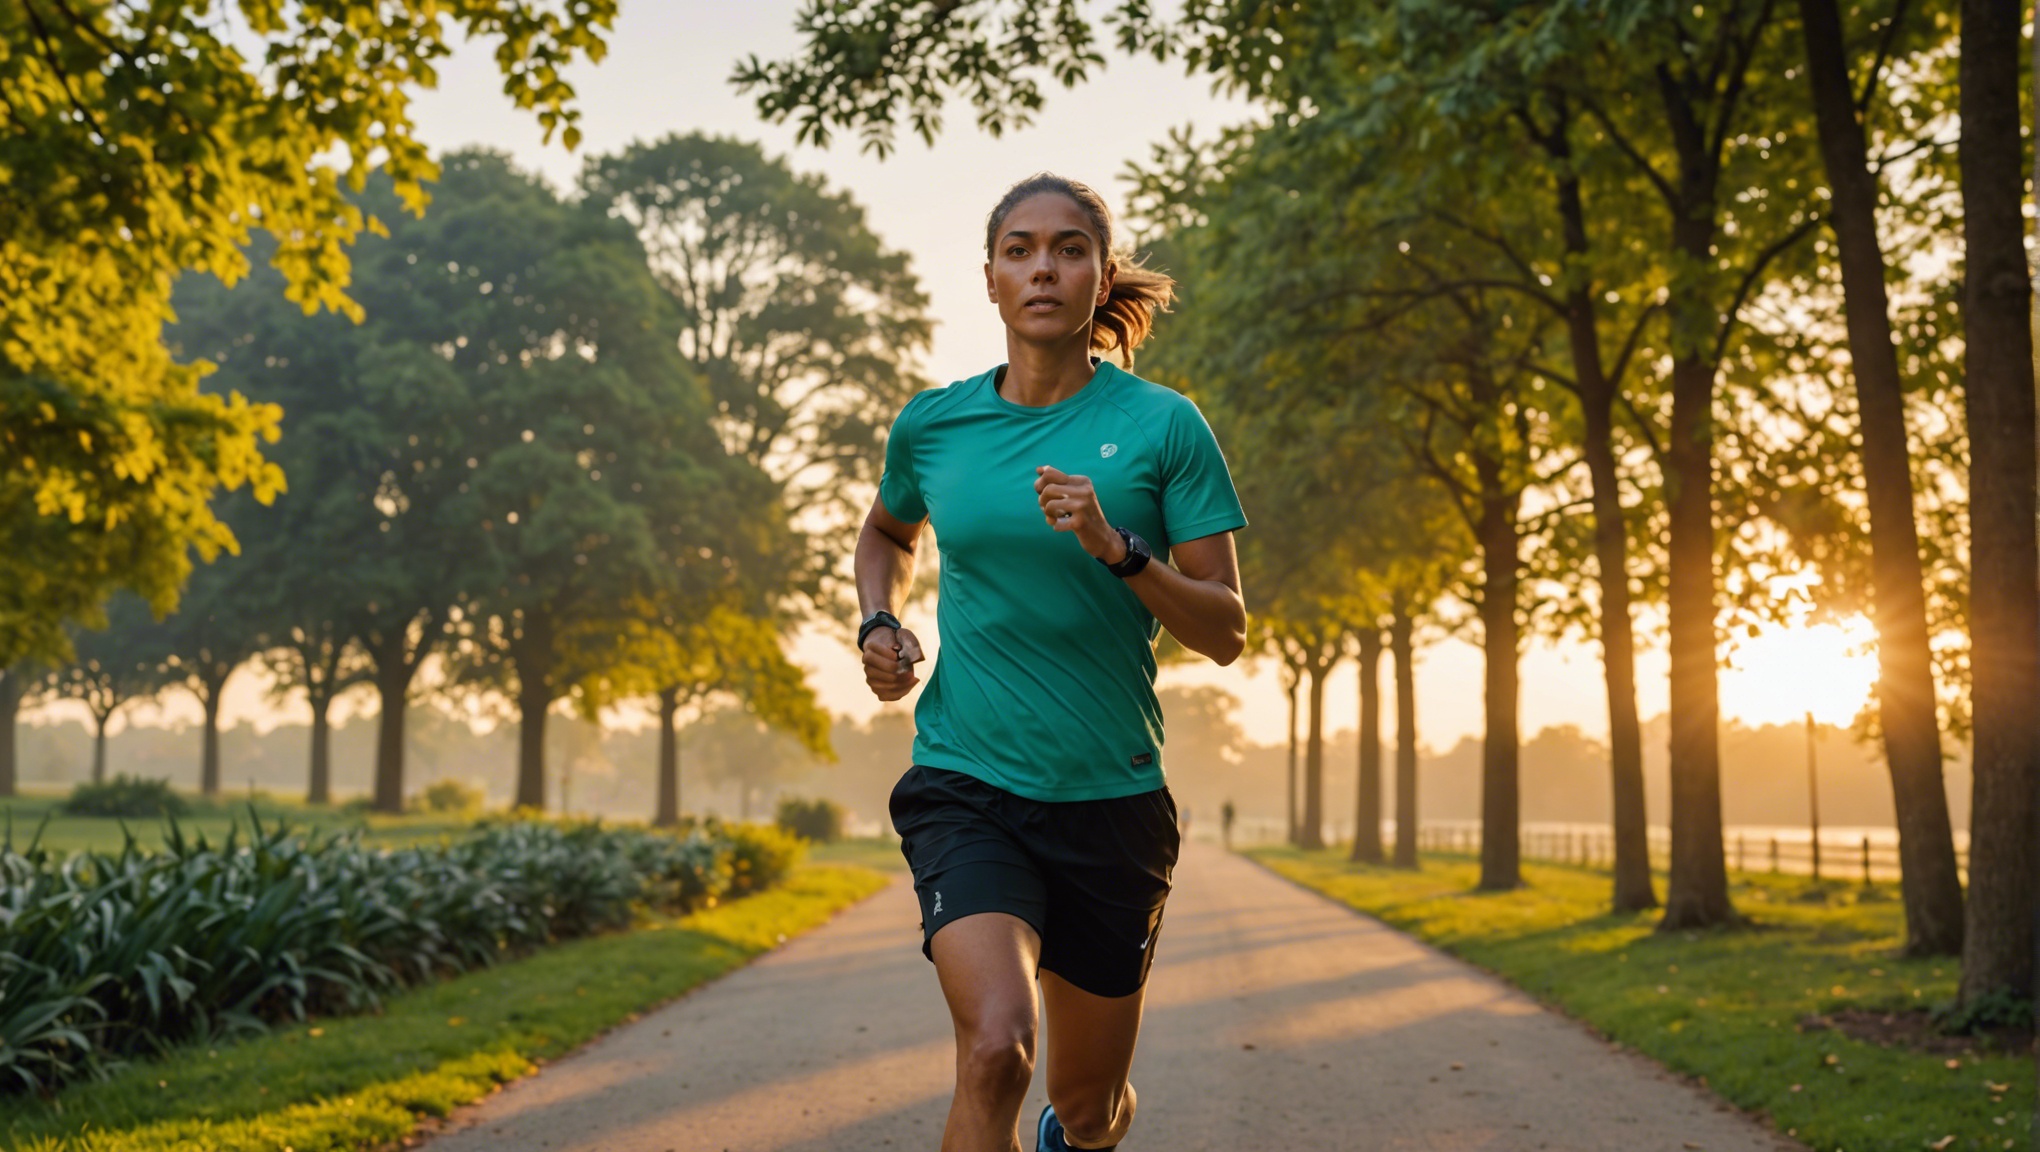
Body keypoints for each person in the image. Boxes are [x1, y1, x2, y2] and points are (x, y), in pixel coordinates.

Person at [858, 173, 1248, 1152]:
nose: (1044, 268)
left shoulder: (1165, 427)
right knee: (996, 1047)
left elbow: (1227, 627)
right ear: (989, 277)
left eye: (1069, 249)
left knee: (1088, 1108)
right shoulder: (934, 424)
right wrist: (878, 621)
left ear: (1100, 276)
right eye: (1021, 250)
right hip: (967, 780)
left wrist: (1120, 550)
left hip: (1111, 799)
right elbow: (887, 532)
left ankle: (1071, 1135)